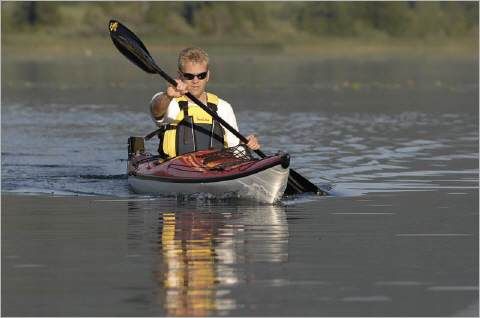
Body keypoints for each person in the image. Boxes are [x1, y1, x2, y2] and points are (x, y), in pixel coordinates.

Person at [149, 47, 260, 159]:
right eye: (189, 76)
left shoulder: (223, 107)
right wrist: (168, 96)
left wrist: (246, 144)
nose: (196, 81)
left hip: (216, 168)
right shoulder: (169, 102)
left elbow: (234, 148)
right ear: (180, 76)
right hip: (175, 169)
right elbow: (156, 111)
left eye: (201, 75)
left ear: (207, 76)